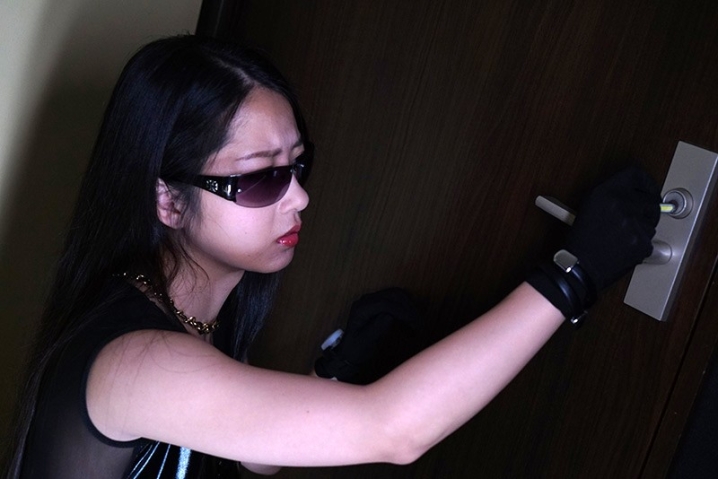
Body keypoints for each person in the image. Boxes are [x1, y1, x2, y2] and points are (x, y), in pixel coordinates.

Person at [3, 34, 661, 478]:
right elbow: (394, 432)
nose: (300, 197)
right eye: (261, 177)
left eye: (298, 165)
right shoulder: (139, 358)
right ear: (168, 201)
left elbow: (246, 453)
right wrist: (572, 275)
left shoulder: (184, 316)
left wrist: (332, 374)